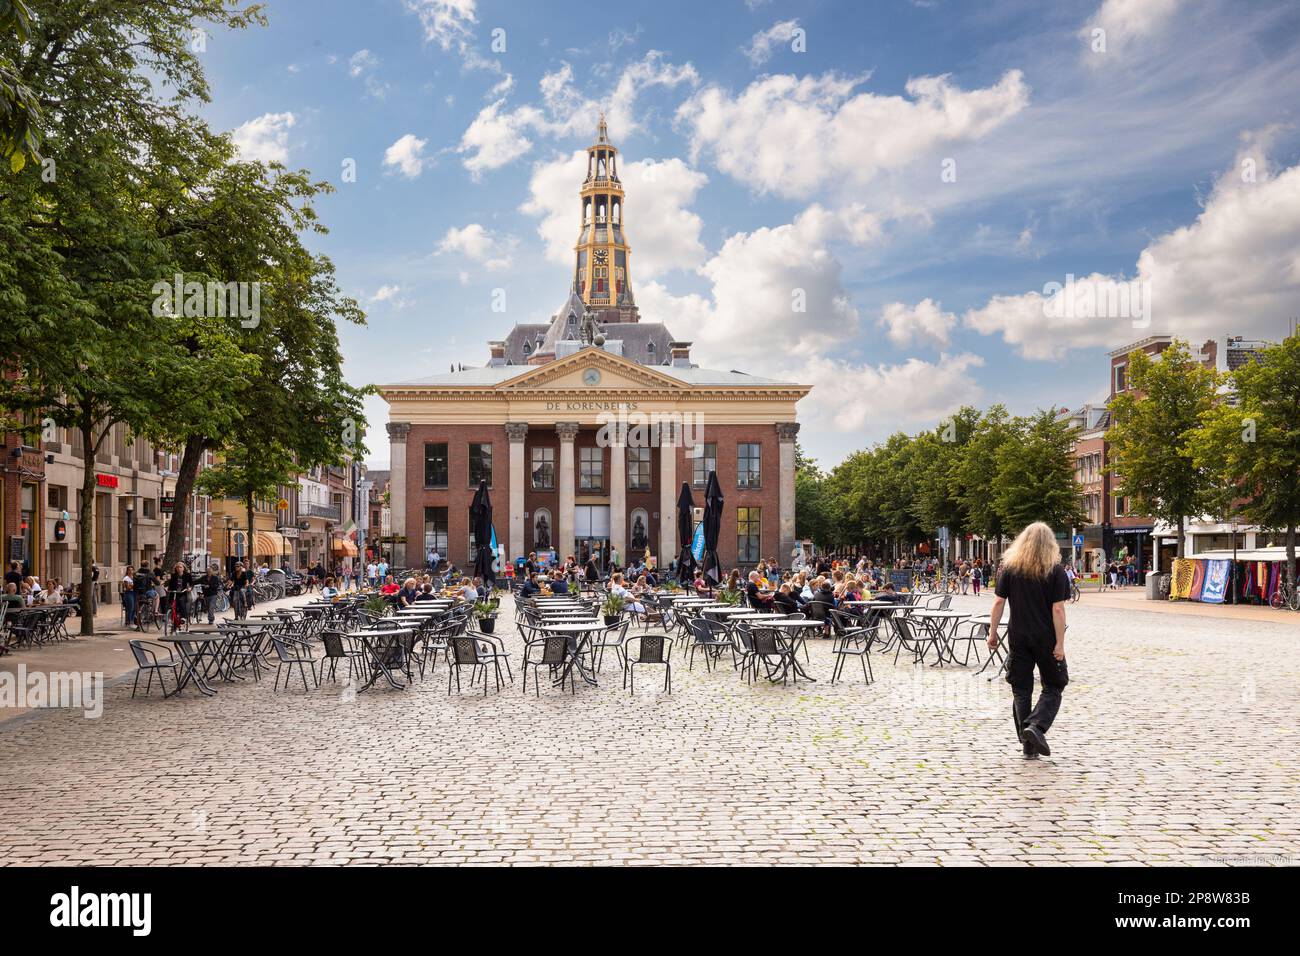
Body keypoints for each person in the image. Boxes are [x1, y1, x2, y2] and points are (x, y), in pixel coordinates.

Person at [988, 522, 1070, 760]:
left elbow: (998, 602)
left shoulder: (1010, 569)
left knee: (1021, 689)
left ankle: (1027, 744)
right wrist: (1060, 644)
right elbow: (1058, 610)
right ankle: (1036, 726)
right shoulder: (1055, 571)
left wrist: (992, 633)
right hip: (1046, 638)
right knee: (1055, 685)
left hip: (1018, 637)